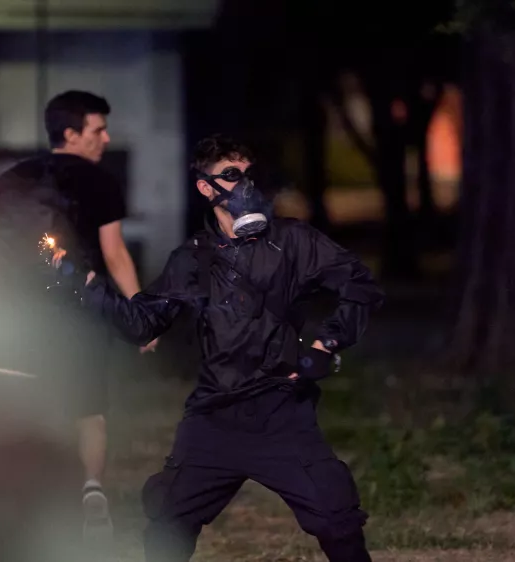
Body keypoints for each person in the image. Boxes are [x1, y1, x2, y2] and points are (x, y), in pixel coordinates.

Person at [80, 135, 384, 561]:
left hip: (280, 411)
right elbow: (141, 323)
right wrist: (87, 290)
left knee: (338, 517)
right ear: (206, 188)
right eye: (230, 175)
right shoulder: (193, 258)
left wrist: (326, 341)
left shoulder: (293, 241)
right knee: (167, 521)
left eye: (248, 174)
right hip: (214, 416)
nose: (244, 185)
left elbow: (360, 285)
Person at [0, 90, 152, 541]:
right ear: (72, 132)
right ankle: (90, 492)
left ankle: (26, 502)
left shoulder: (10, 180)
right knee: (88, 410)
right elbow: (115, 255)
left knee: (27, 406)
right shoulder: (99, 181)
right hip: (82, 312)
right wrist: (141, 316)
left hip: (22, 316)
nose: (105, 138)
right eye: (98, 130)